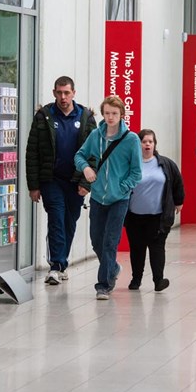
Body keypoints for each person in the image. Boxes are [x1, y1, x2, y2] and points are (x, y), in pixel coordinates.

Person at [25, 76, 96, 285]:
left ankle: (62, 262)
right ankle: (55, 266)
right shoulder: (44, 116)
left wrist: (86, 183)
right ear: (54, 92)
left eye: (67, 93)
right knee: (56, 218)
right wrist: (34, 186)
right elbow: (32, 153)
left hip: (75, 180)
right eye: (59, 93)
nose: (63, 97)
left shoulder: (86, 117)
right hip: (51, 179)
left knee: (69, 221)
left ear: (74, 92)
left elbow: (94, 154)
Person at [74, 96, 142, 300]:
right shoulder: (96, 136)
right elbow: (79, 155)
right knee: (96, 240)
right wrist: (85, 168)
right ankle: (112, 268)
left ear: (122, 115)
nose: (111, 117)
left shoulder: (131, 139)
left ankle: (103, 285)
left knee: (110, 242)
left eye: (115, 113)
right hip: (97, 198)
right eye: (107, 113)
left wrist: (123, 188)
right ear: (103, 114)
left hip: (119, 199)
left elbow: (136, 172)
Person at [124, 129, 185, 292]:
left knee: (157, 248)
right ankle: (136, 279)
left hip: (158, 216)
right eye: (144, 142)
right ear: (139, 144)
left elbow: (177, 182)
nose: (147, 144)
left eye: (150, 141)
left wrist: (179, 202)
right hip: (135, 216)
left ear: (155, 144)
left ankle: (158, 280)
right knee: (137, 248)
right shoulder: (131, 164)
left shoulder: (166, 164)